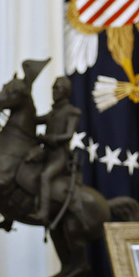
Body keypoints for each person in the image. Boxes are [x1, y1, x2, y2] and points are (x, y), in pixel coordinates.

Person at [36, 75, 83, 223]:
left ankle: (43, 212)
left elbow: (68, 135)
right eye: (53, 87)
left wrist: (51, 138)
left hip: (59, 155)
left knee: (45, 176)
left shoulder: (72, 112)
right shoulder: (52, 113)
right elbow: (33, 120)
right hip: (46, 153)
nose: (54, 91)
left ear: (65, 91)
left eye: (57, 88)